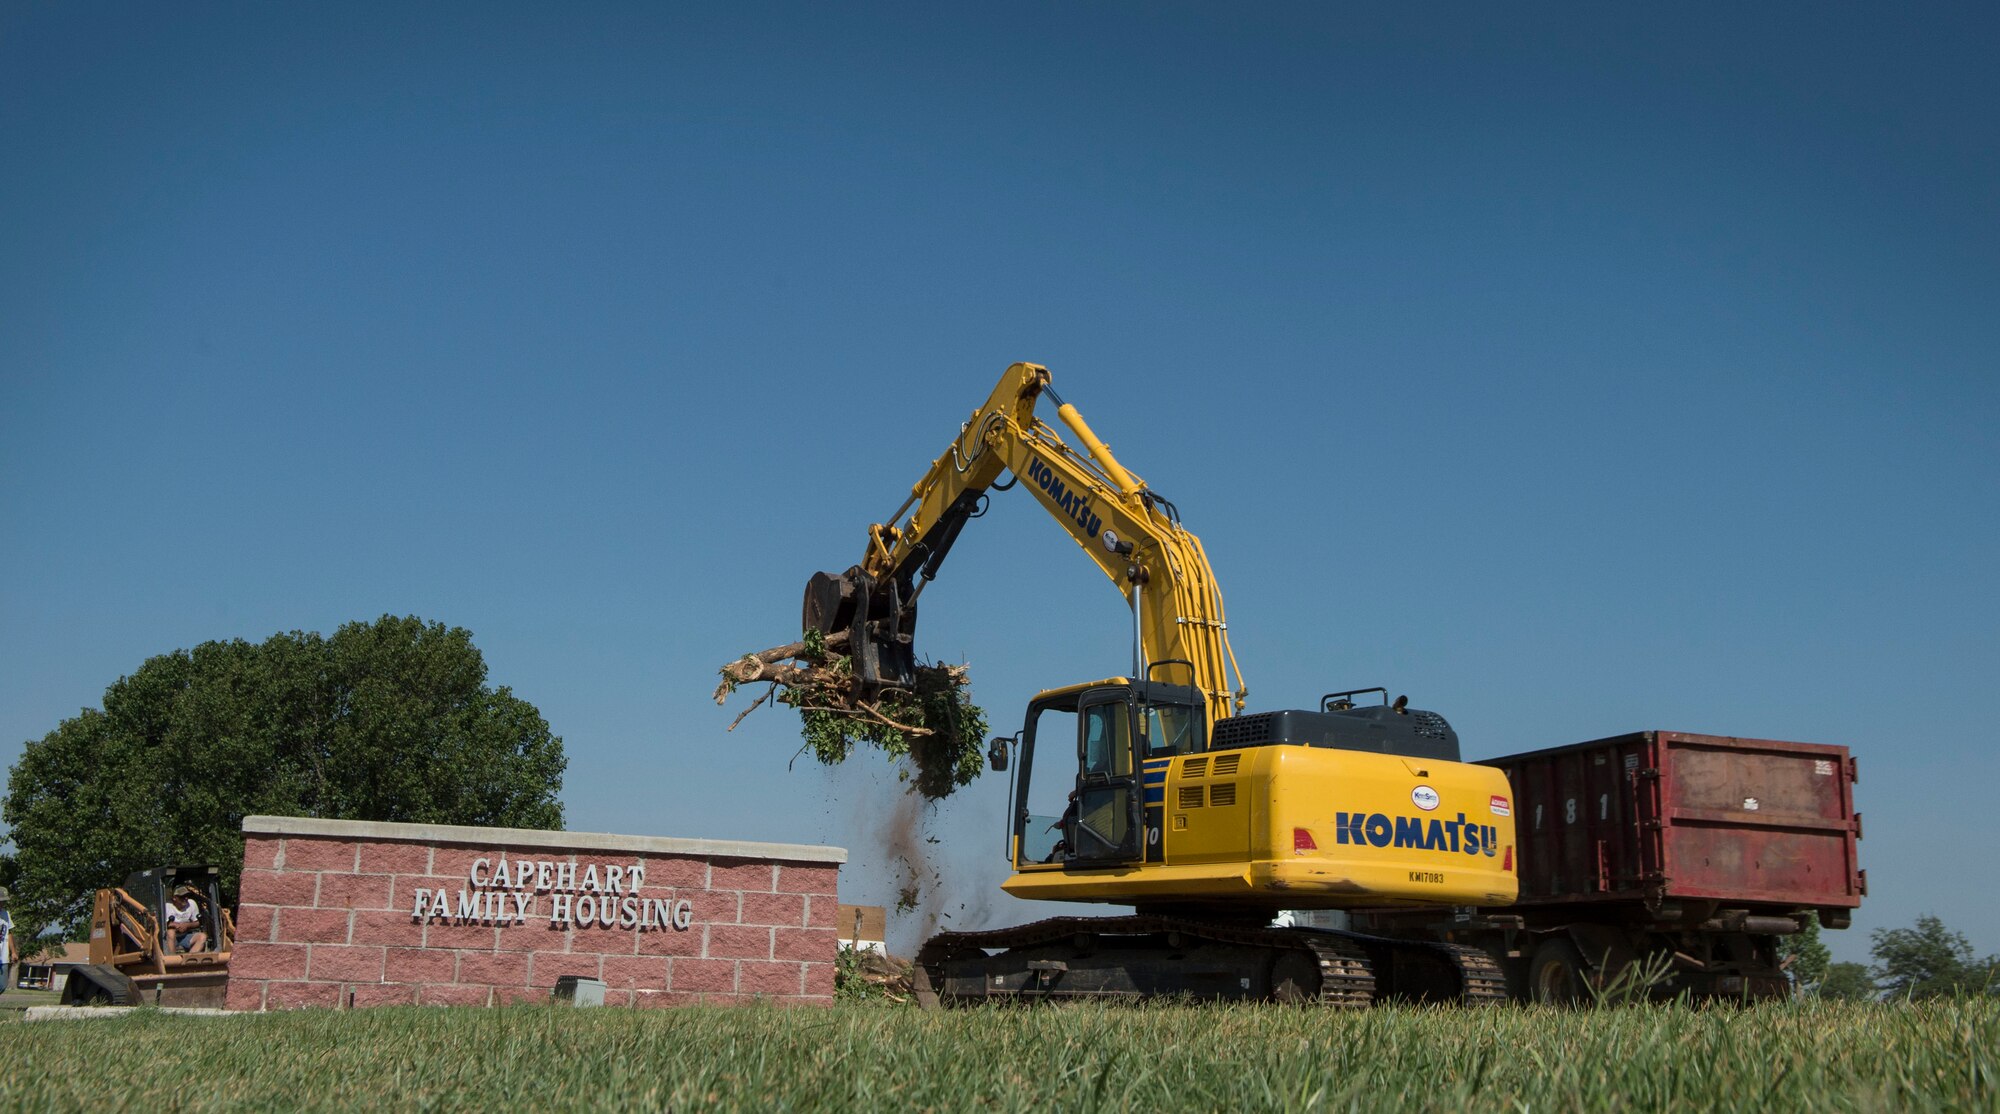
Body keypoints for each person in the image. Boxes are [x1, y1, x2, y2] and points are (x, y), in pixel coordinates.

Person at [164, 885, 207, 953]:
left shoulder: (192, 904)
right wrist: (176, 925)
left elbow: (197, 922)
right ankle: (172, 960)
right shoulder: (167, 906)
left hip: (185, 936)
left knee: (202, 936)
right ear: (174, 898)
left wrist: (187, 925)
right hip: (168, 939)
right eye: (182, 897)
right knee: (170, 932)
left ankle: (190, 960)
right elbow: (162, 924)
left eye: (187, 896)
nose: (185, 898)